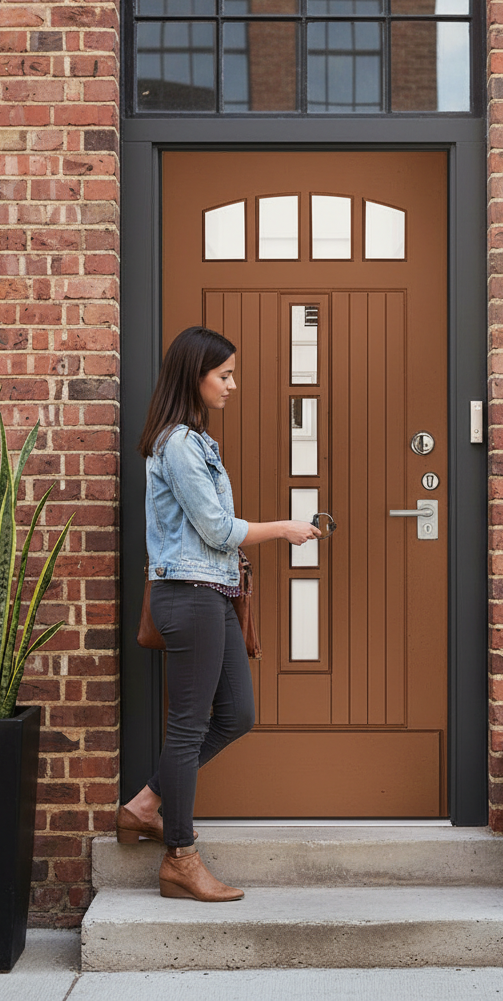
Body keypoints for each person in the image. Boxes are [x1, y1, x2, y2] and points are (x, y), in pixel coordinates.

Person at [117, 325, 321, 902]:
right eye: (224, 375)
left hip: (214, 595)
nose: (232, 385)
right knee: (186, 729)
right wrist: (284, 528)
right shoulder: (178, 445)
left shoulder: (195, 442)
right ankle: (179, 858)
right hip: (189, 595)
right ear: (195, 376)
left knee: (236, 715)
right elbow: (215, 529)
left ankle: (146, 803)